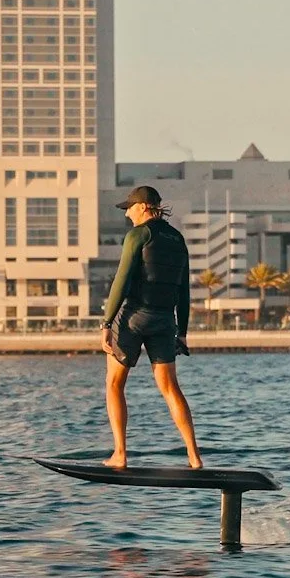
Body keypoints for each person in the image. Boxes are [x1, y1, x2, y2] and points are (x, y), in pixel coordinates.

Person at [99, 185, 204, 470]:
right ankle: (194, 457)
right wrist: (182, 331)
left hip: (134, 317)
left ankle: (120, 454)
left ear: (143, 206)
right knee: (171, 388)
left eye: (129, 208)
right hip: (165, 320)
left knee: (114, 383)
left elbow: (121, 280)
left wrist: (107, 322)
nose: (127, 214)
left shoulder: (138, 235)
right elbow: (183, 290)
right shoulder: (178, 238)